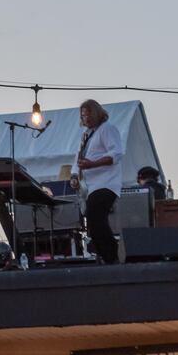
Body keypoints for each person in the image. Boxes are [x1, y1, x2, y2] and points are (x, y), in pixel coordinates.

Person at [73, 99, 125, 264]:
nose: (85, 118)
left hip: (107, 183)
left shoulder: (108, 129)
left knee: (96, 218)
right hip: (92, 186)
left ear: (97, 113)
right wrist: (74, 175)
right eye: (83, 115)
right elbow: (78, 158)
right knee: (93, 223)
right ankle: (108, 257)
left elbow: (116, 153)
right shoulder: (86, 135)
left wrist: (92, 164)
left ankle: (112, 257)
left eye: (88, 114)